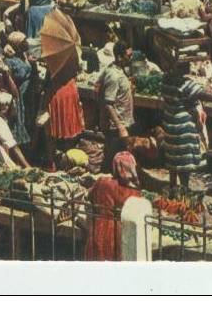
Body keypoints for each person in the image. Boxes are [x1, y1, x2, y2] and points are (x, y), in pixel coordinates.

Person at [84, 151, 141, 261]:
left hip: (98, 228)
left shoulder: (102, 182)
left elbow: (89, 196)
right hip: (118, 233)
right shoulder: (134, 193)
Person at [0, 31, 35, 146]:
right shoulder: (10, 61)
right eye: (23, 41)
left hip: (27, 92)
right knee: (17, 121)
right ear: (16, 44)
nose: (26, 43)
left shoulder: (23, 55)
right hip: (19, 93)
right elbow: (10, 78)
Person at [161, 67, 207, 189]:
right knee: (183, 166)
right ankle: (183, 192)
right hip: (183, 129)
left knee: (173, 160)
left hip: (170, 125)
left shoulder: (166, 80)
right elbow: (206, 96)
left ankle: (172, 188)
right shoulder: (186, 84)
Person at [97, 42, 134, 170]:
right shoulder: (113, 75)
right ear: (119, 57)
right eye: (128, 56)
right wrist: (120, 127)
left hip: (121, 122)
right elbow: (108, 103)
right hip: (115, 127)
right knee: (115, 161)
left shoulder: (119, 70)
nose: (131, 58)